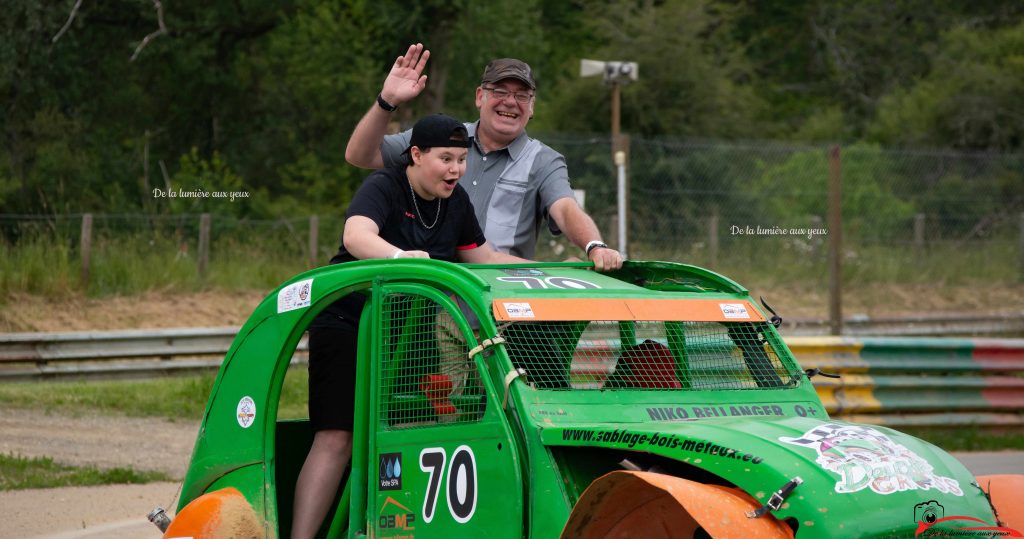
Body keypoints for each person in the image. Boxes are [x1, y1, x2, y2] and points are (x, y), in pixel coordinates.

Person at [291, 113, 529, 539]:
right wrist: (400, 257)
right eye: (445, 159)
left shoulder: (455, 202)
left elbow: (487, 260)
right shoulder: (386, 185)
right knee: (337, 438)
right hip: (350, 323)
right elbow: (355, 236)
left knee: (408, 429)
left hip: (406, 331)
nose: (456, 170)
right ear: (416, 156)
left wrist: (557, 271)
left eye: (461, 159)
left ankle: (391, 529)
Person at [345, 43, 624, 271]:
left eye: (522, 95)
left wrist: (594, 246)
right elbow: (360, 156)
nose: (510, 102)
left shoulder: (543, 160)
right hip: (432, 298)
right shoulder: (444, 136)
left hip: (502, 301)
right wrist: (387, 101)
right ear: (480, 96)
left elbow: (565, 208)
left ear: (532, 106)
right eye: (500, 91)